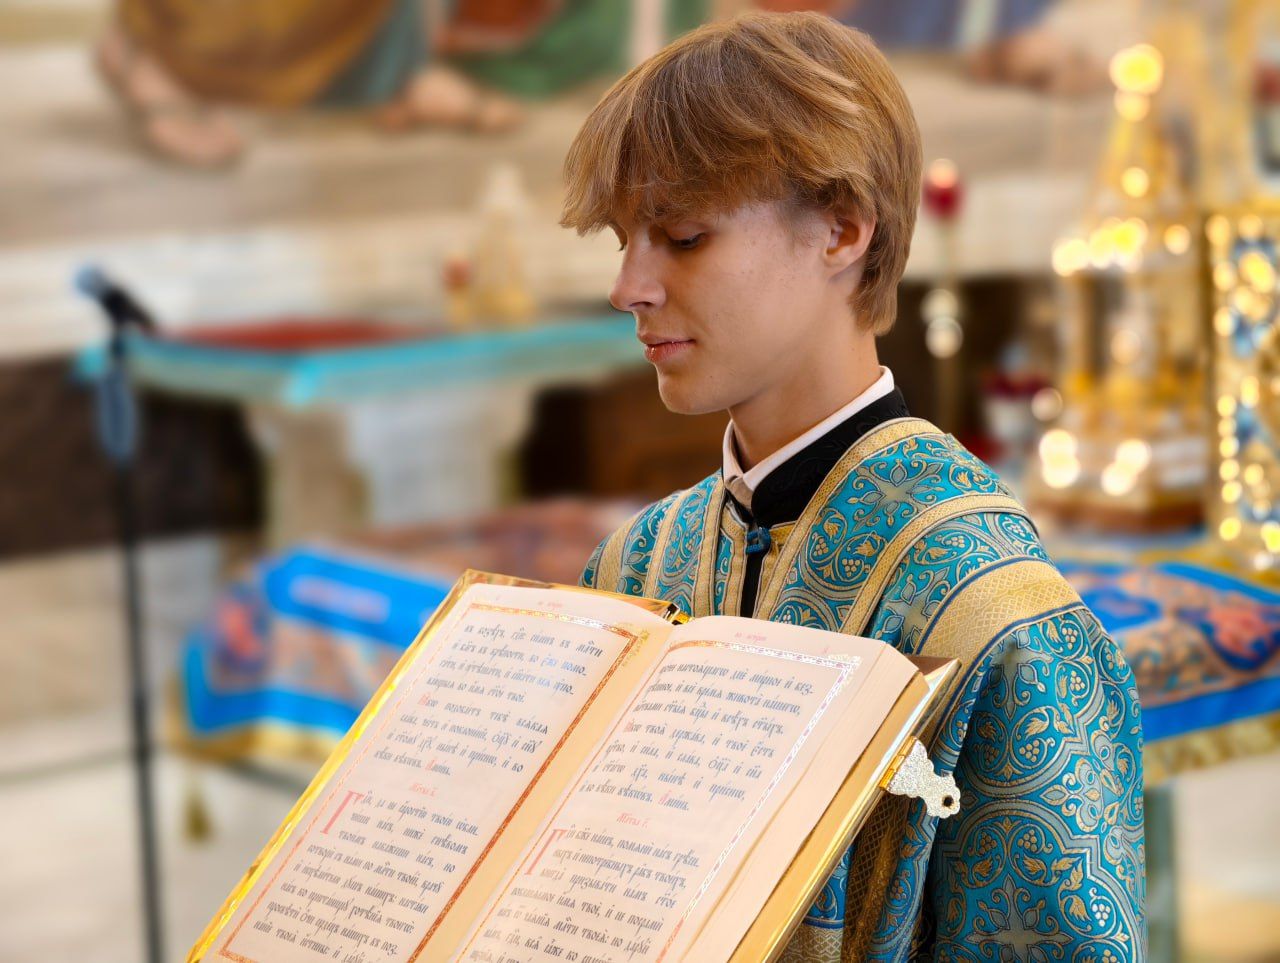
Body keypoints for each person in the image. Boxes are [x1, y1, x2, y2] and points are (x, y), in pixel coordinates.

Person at [567, 12, 1145, 960]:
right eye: (624, 240)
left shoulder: (991, 615)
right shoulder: (634, 567)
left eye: (682, 236)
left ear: (841, 229)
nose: (629, 285)